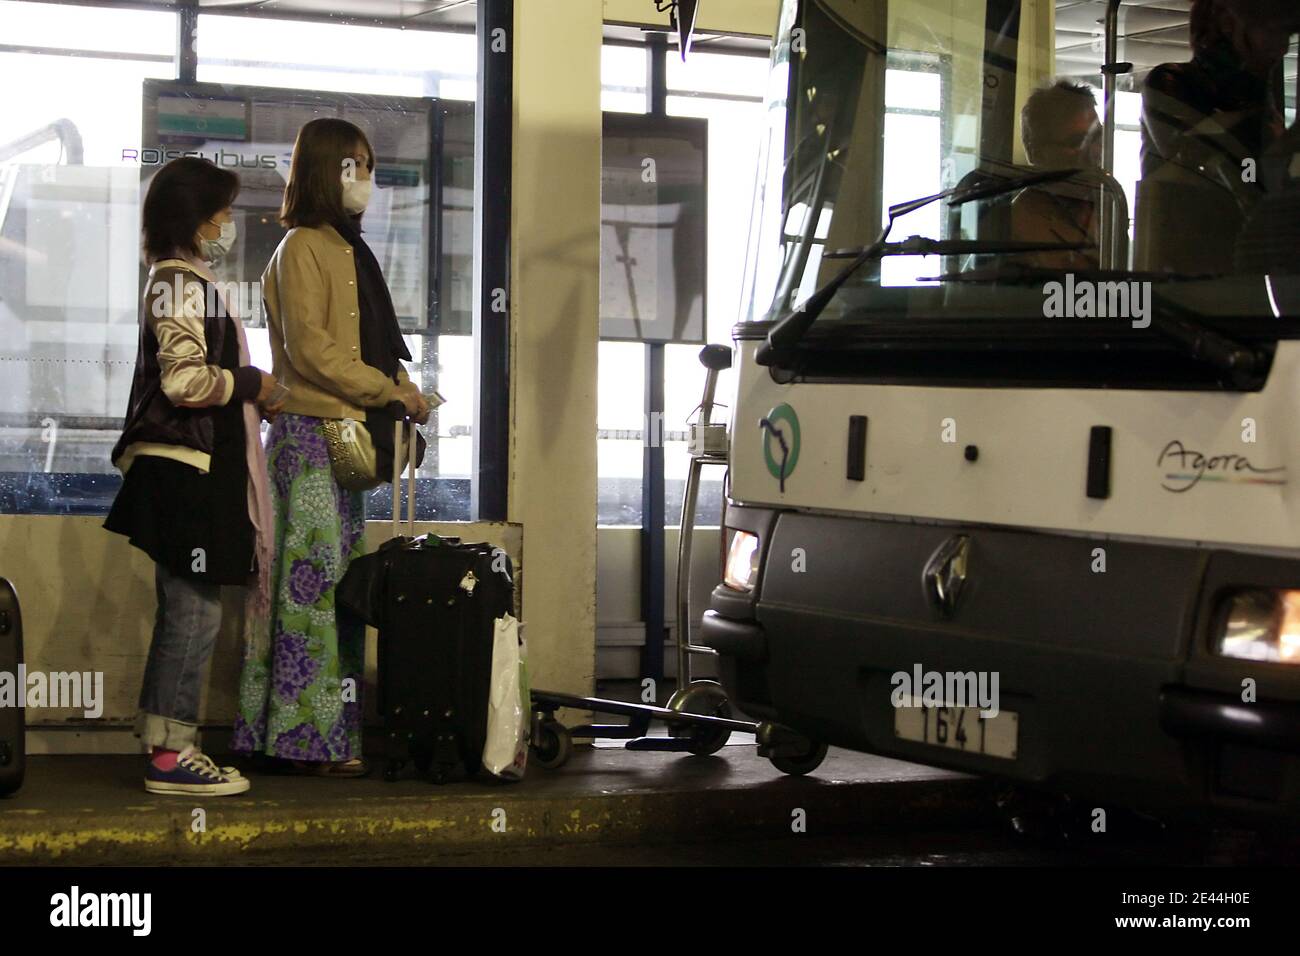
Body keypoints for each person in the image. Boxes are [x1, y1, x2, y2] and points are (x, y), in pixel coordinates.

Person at [232, 118, 429, 777]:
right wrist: (387, 391)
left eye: (369, 167)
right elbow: (314, 352)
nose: (367, 182)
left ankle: (324, 737)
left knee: (331, 591)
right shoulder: (302, 250)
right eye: (355, 168)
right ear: (323, 172)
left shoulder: (349, 251)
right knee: (308, 591)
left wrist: (404, 387)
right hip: (310, 438)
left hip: (338, 443)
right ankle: (297, 741)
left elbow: (367, 346)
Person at [105, 157, 281, 796]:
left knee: (190, 610)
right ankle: (170, 756)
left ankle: (167, 746)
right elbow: (184, 382)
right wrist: (253, 383)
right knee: (195, 612)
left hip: (192, 467)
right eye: (221, 210)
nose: (228, 222)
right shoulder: (179, 283)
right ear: (194, 216)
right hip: (188, 468)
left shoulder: (183, 278)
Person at [1010, 80, 1104, 271]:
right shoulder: (1017, 222)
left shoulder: (1108, 207)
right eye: (1077, 142)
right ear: (1037, 152)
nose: (1093, 151)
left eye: (1097, 137)